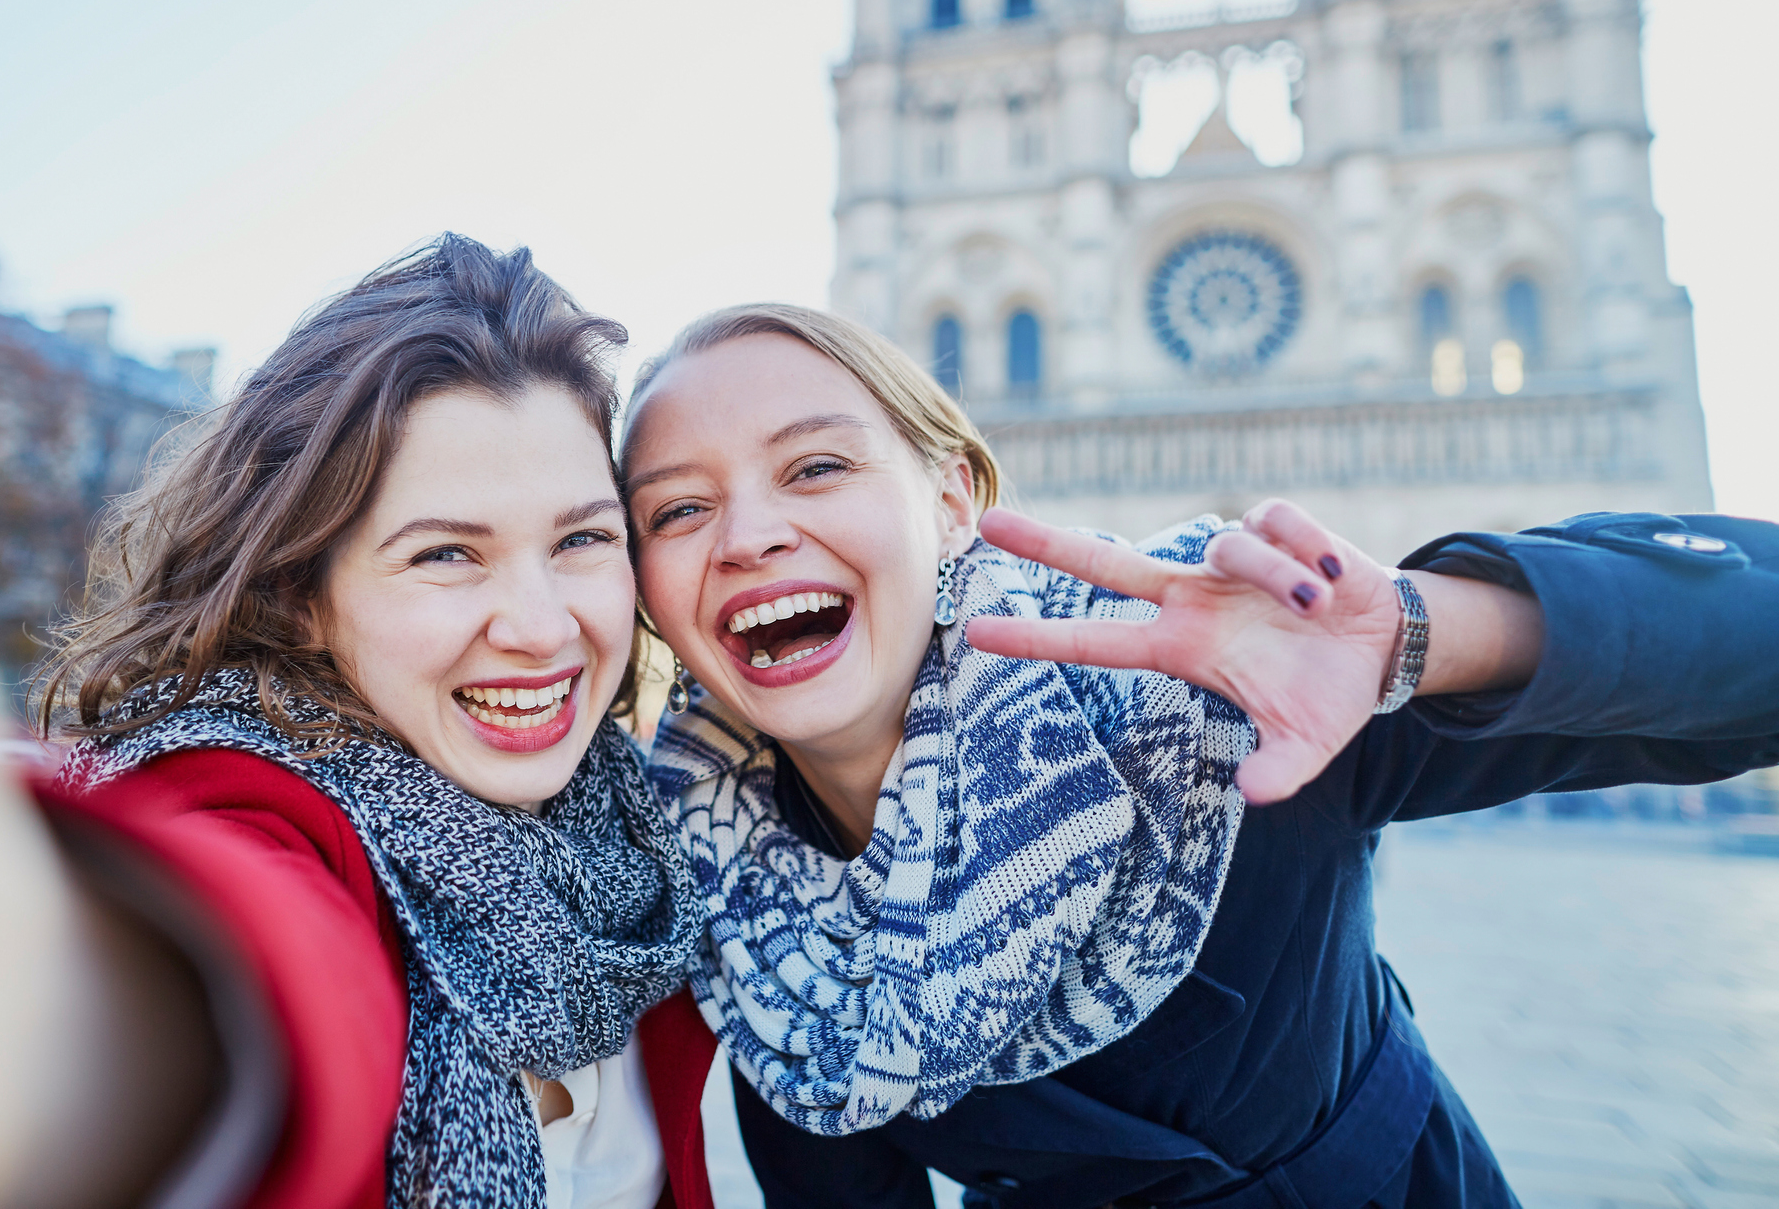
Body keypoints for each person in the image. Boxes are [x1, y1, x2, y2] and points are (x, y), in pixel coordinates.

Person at [619, 303, 1779, 1209]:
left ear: (953, 498)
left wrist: (1422, 633)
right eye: (676, 512)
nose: (751, 534)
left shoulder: (1190, 703)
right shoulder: (730, 916)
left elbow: (1753, 655)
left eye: (816, 466)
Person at [0, 236, 721, 1209]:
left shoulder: (647, 839)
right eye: (447, 553)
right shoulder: (242, 793)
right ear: (305, 591)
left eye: (581, 541)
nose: (541, 627)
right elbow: (244, 976)